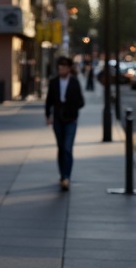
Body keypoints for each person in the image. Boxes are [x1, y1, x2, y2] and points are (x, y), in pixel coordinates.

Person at [45, 55, 85, 191]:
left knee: (68, 147)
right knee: (61, 147)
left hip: (71, 119)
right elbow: (49, 100)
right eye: (59, 67)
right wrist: (47, 115)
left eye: (63, 67)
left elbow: (81, 101)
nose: (61, 69)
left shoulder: (74, 82)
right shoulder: (54, 82)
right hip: (57, 119)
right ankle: (62, 175)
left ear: (68, 69)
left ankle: (66, 176)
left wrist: (72, 108)